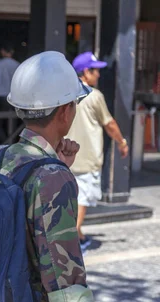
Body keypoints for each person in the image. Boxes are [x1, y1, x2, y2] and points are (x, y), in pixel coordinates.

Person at [0, 51, 95, 302]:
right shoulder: (50, 175)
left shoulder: (7, 157)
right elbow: (62, 265)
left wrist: (59, 164)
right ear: (64, 111)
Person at [66, 51, 129, 254]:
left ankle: (78, 236)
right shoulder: (94, 96)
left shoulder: (65, 94)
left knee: (69, 200)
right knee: (82, 199)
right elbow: (109, 124)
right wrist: (122, 142)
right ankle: (74, 239)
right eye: (96, 71)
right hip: (86, 157)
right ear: (86, 71)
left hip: (64, 156)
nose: (99, 75)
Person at [0, 43, 20, 144]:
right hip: (14, 98)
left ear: (2, 51)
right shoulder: (17, 65)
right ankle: (13, 142)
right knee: (14, 123)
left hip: (2, 97)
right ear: (12, 52)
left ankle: (3, 144)